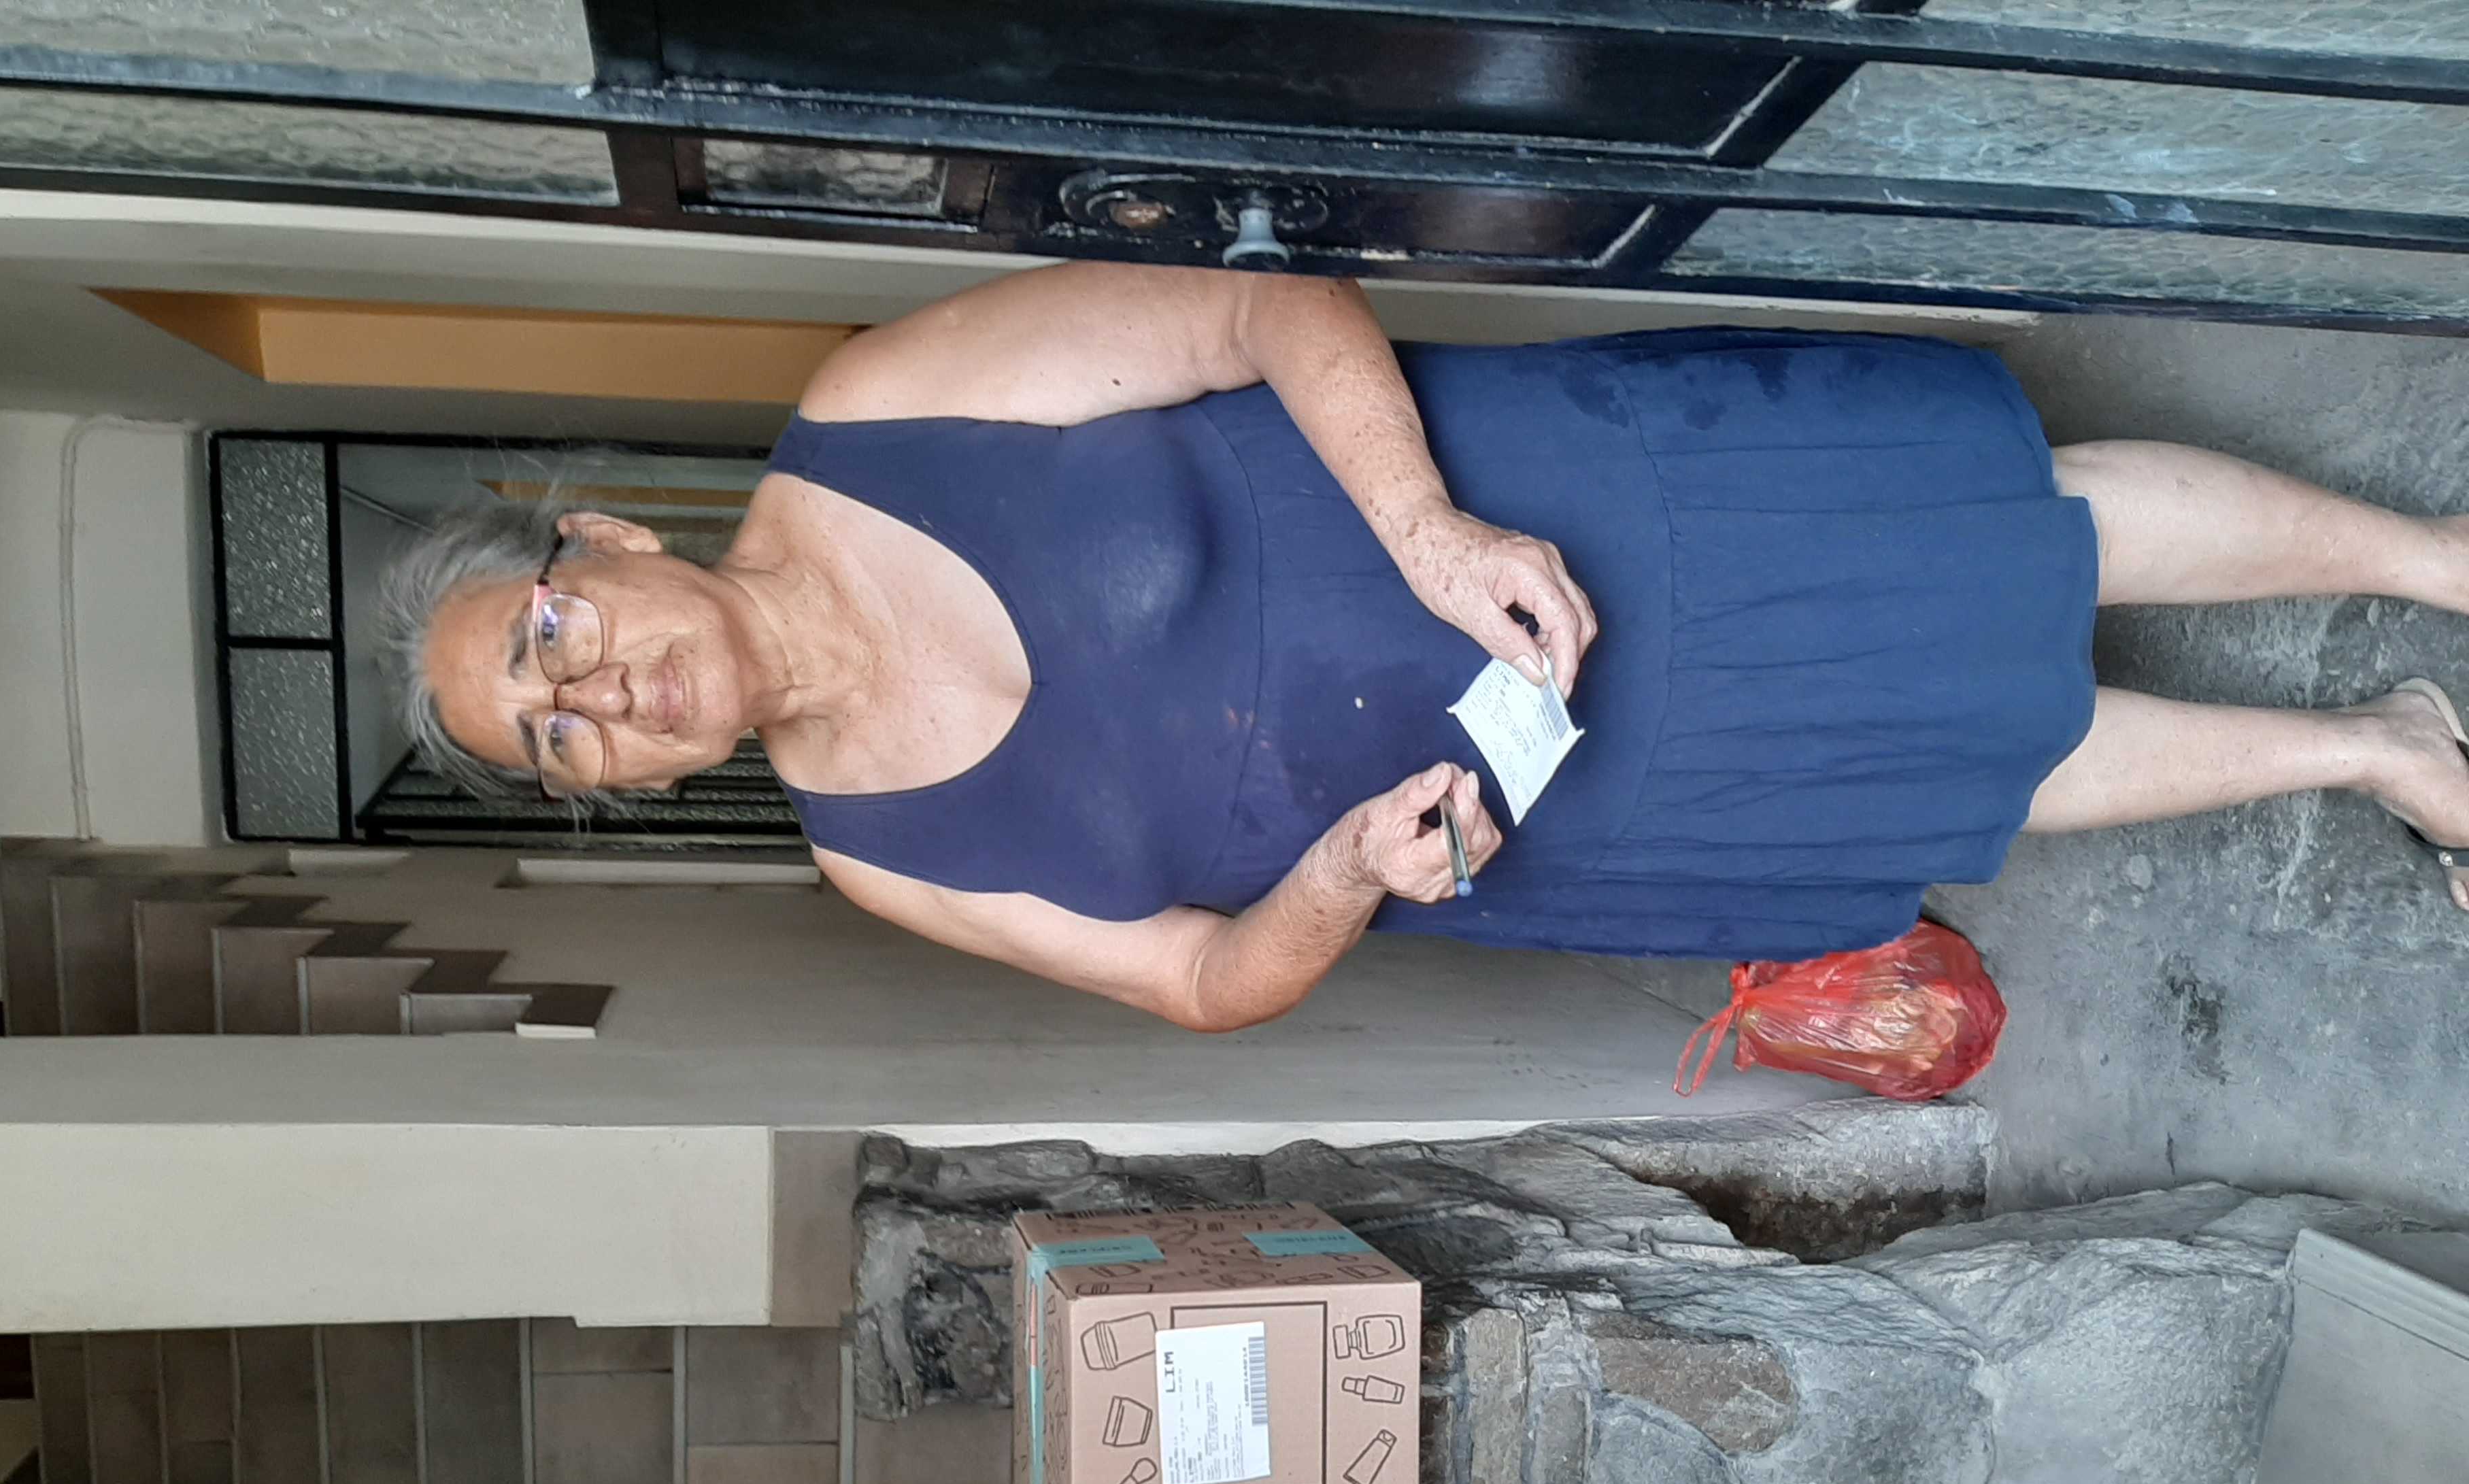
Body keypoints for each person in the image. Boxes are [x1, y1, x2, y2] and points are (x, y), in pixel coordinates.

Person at [393, 262, 2469, 1032]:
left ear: (608, 538)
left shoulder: (878, 415)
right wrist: (1339, 879)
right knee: (1950, 762)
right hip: (1557, 805)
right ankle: (2380, 746)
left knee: (2008, 531)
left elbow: (1257, 306)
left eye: (552, 634)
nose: (597, 698)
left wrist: (1428, 529)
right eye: (557, 741)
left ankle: (2436, 560)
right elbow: (1197, 981)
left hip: (1532, 512)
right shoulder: (878, 853)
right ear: (621, 786)